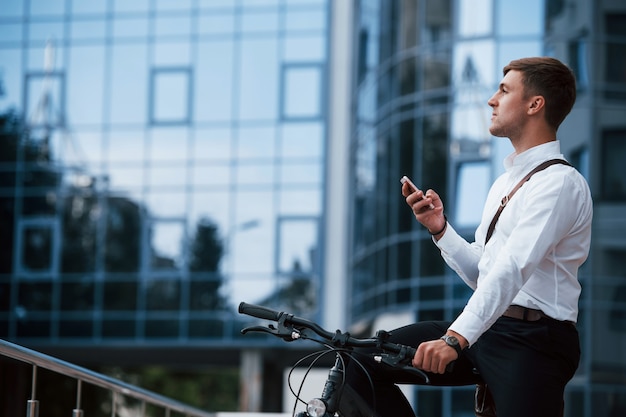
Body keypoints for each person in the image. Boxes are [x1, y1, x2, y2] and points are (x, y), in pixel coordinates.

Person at [343, 57, 593, 417]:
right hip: (488, 325)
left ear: (535, 104)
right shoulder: (504, 183)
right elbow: (485, 274)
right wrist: (440, 230)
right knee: (362, 361)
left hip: (534, 342)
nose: (492, 99)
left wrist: (454, 339)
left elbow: (512, 269)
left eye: (504, 91)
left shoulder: (560, 184)